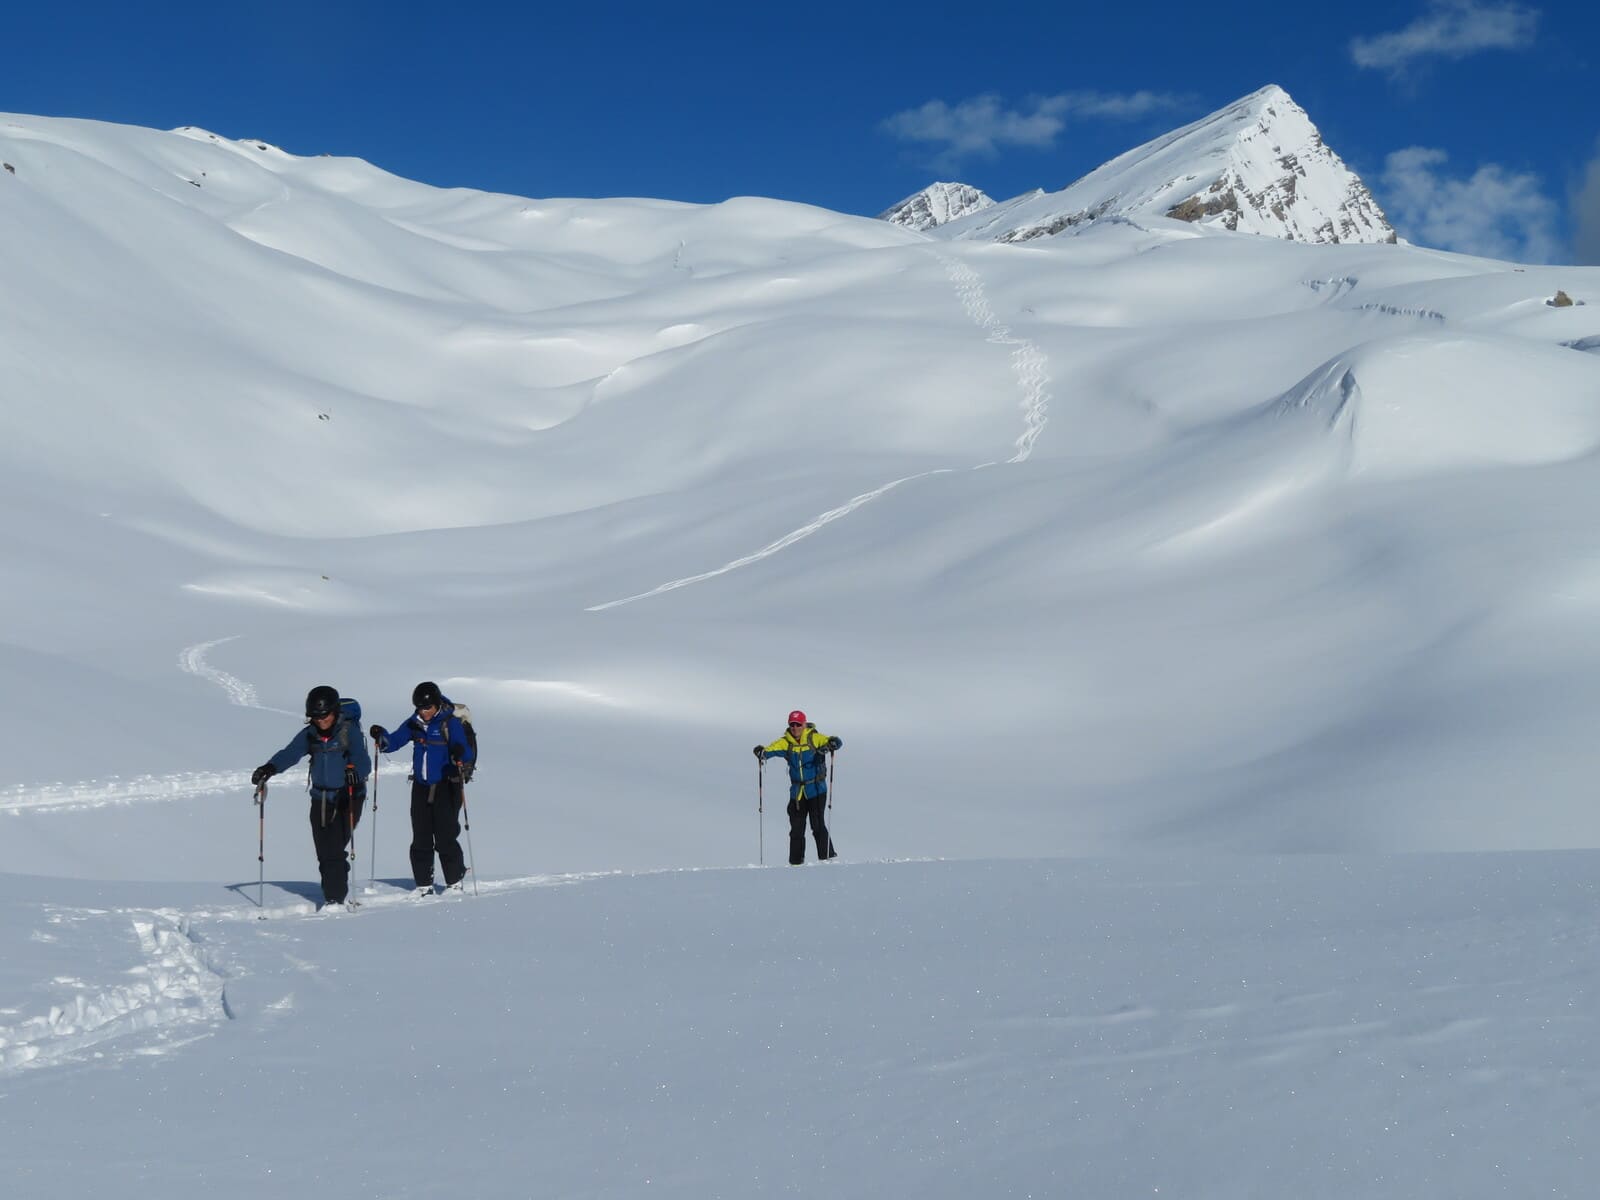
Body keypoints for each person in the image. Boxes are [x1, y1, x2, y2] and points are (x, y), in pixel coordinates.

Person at [250, 685, 371, 910]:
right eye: (316, 717)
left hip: (348, 798)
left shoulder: (349, 732)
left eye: (325, 715)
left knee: (333, 851)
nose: (321, 721)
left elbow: (363, 762)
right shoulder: (310, 734)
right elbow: (290, 753)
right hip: (320, 799)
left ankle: (334, 900)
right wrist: (269, 768)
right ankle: (335, 891)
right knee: (325, 852)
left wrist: (356, 773)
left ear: (334, 711)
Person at [369, 680, 476, 897]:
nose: (423, 711)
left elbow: (465, 752)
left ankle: (454, 881)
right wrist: (382, 737)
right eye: (419, 707)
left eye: (427, 707)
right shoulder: (414, 723)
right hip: (420, 787)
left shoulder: (450, 723)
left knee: (445, 837)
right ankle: (423, 884)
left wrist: (458, 752)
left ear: (436, 704)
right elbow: (395, 741)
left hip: (446, 785)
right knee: (421, 837)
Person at [754, 710, 842, 865]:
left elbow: (836, 742)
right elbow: (769, 751)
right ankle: (796, 863)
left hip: (816, 789)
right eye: (792, 724)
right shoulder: (786, 742)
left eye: (798, 724)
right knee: (796, 829)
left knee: (817, 825)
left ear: (804, 724)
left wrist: (833, 742)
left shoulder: (814, 738)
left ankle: (827, 859)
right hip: (797, 793)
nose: (795, 728)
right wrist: (761, 752)